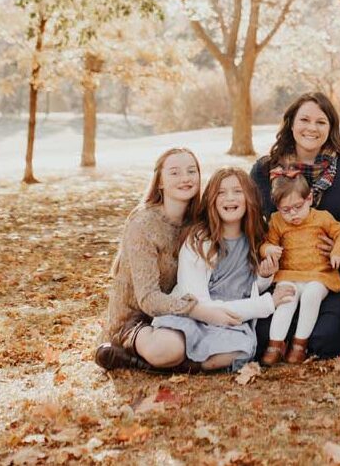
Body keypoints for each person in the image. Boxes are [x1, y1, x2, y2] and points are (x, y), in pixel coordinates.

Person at [94, 148, 249, 373]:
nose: (185, 178)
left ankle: (175, 364)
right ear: (160, 182)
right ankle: (130, 356)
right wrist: (200, 312)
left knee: (236, 351)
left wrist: (266, 248)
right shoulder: (144, 224)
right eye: (175, 173)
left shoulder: (198, 219)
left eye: (191, 171)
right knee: (168, 349)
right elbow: (148, 299)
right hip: (138, 320)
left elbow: (239, 226)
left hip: (179, 317)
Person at [250, 92, 340, 359]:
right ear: (291, 123)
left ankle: (308, 338)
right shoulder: (265, 170)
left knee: (325, 341)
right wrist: (265, 252)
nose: (311, 128)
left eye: (321, 122)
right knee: (263, 337)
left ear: (331, 128)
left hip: (332, 275)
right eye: (304, 120)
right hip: (286, 273)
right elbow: (252, 226)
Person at [150, 167, 295, 372]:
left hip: (231, 321)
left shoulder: (255, 236)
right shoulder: (199, 240)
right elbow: (197, 302)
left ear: (249, 198)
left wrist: (264, 276)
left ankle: (188, 364)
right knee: (166, 348)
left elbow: (246, 286)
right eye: (221, 192)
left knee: (234, 353)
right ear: (211, 200)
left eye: (237, 191)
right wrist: (267, 304)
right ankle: (140, 343)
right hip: (195, 314)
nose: (229, 198)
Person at [259, 172, 340, 365]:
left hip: (319, 275)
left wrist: (338, 251)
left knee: (311, 295)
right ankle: (275, 344)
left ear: (309, 198)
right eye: (286, 210)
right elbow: (265, 242)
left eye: (298, 207)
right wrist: (268, 249)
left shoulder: (322, 218)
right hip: (289, 273)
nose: (293, 214)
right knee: (286, 298)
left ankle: (299, 343)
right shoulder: (277, 221)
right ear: (277, 207)